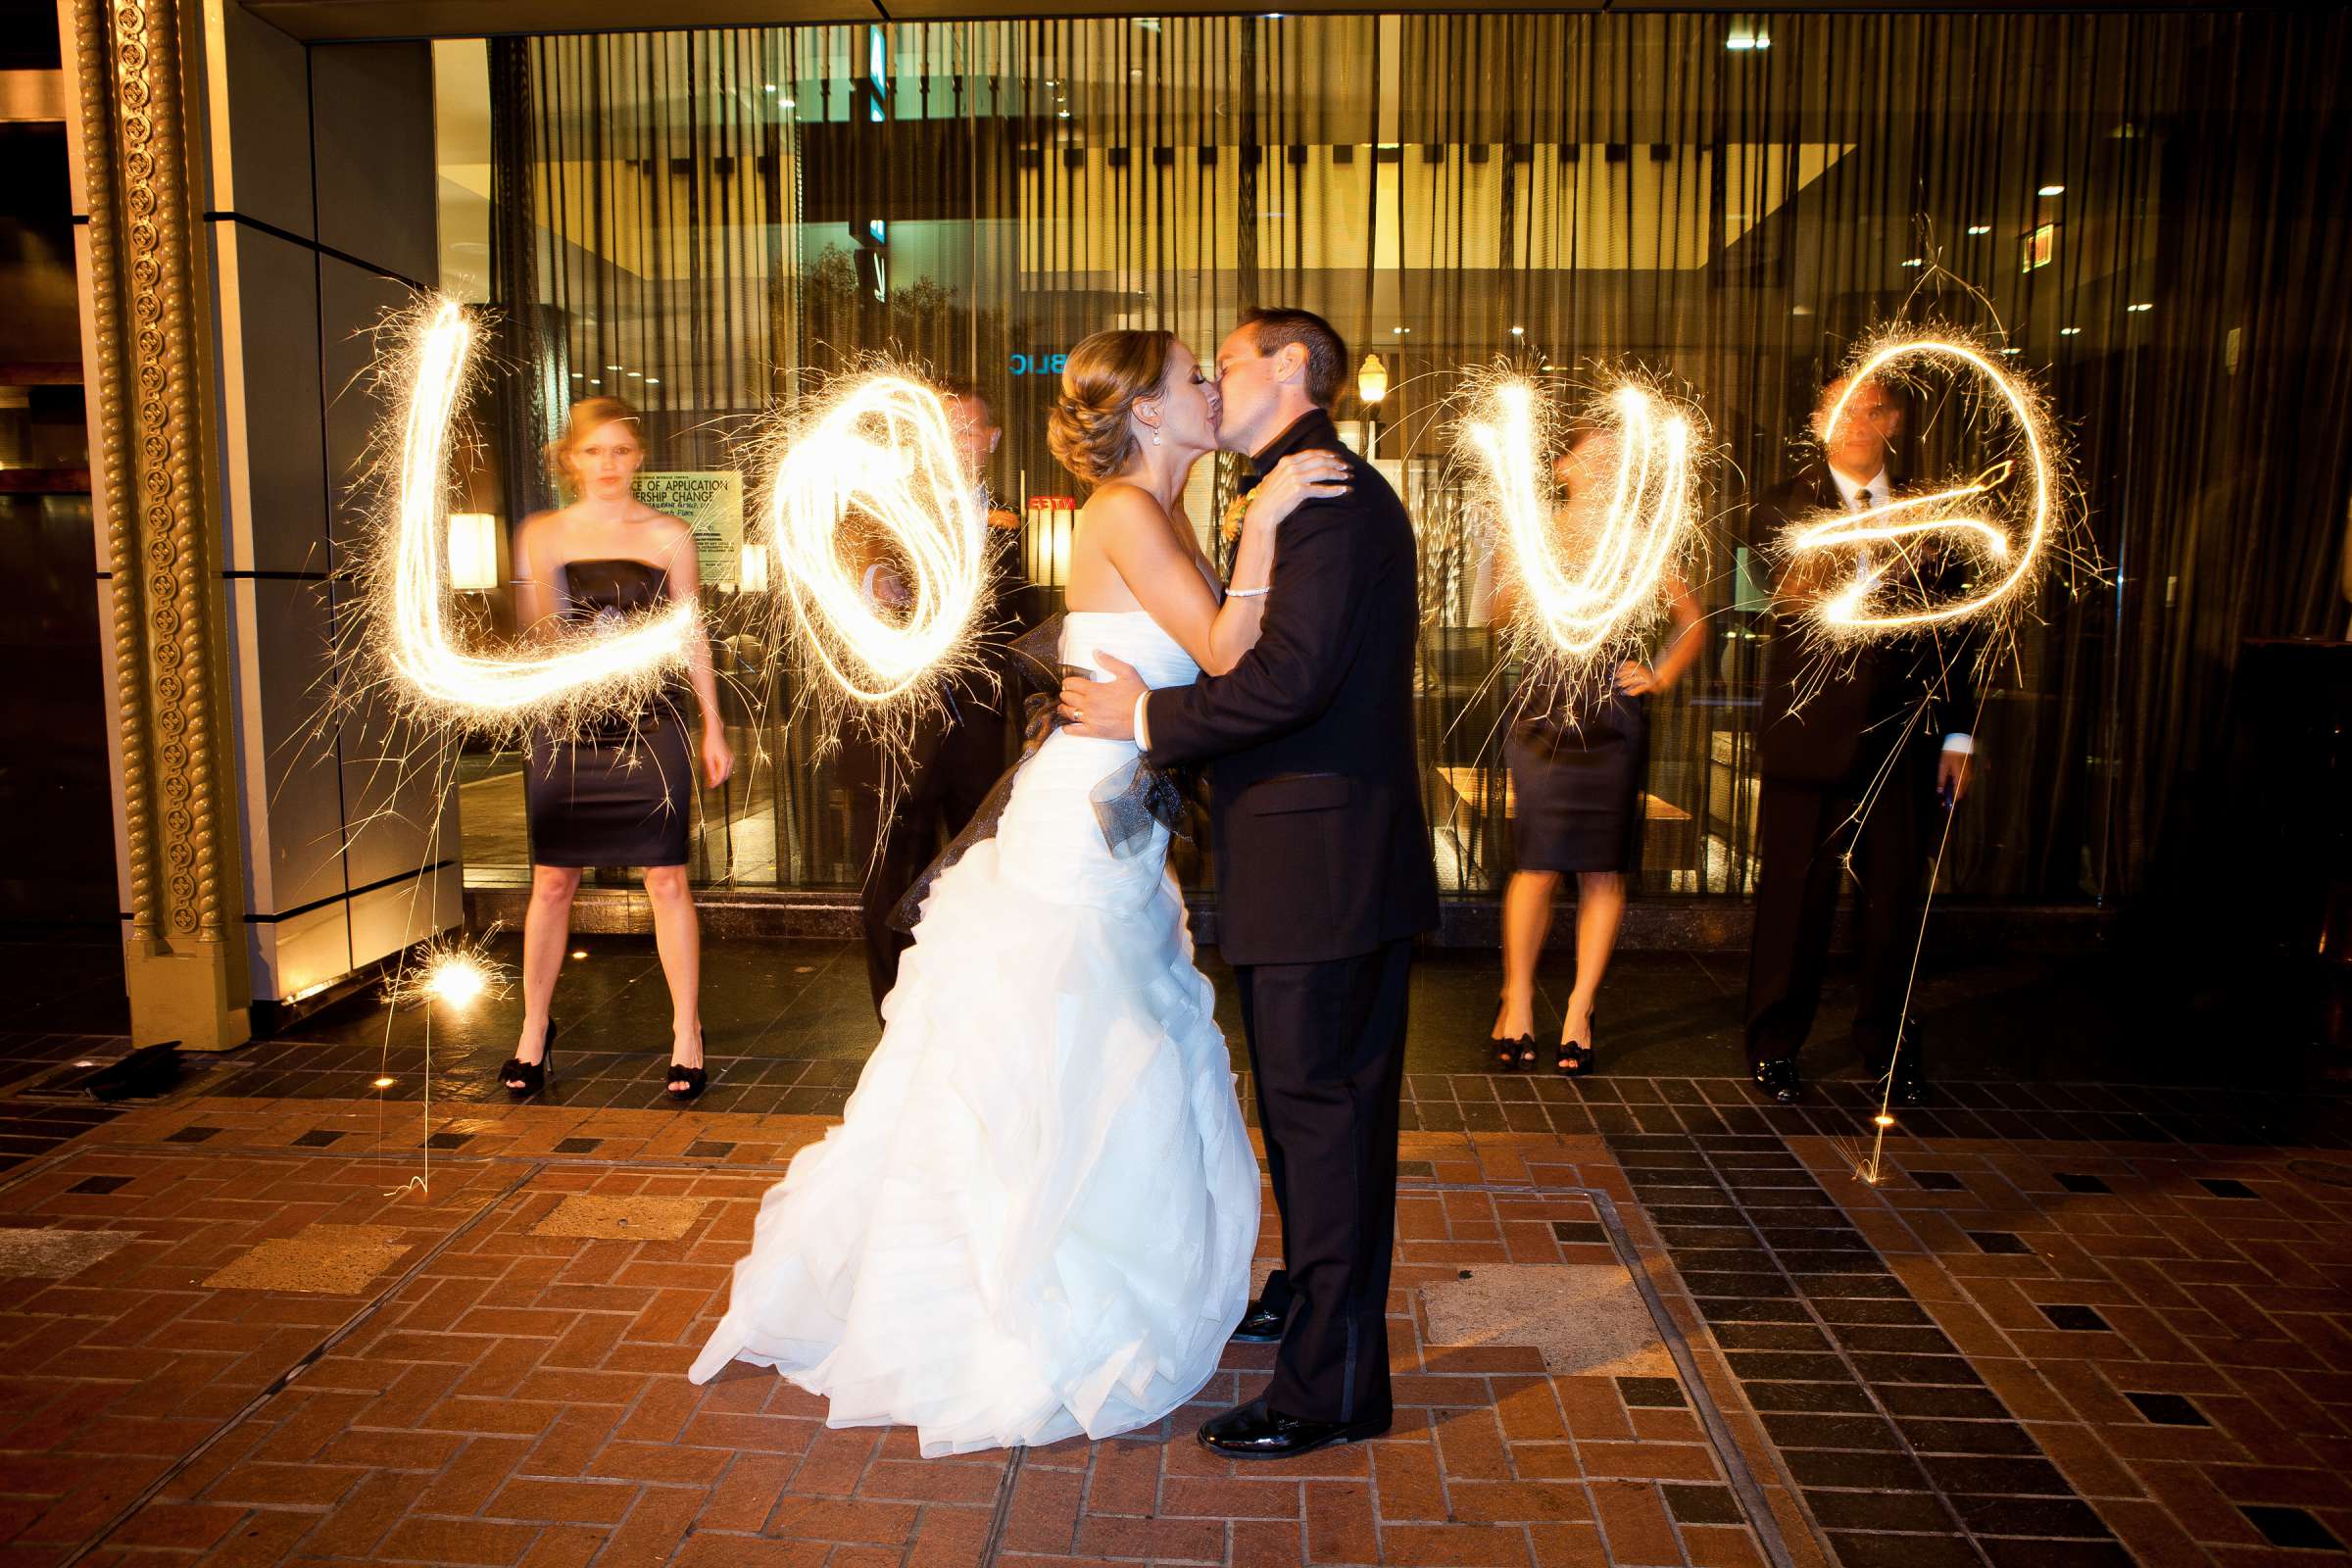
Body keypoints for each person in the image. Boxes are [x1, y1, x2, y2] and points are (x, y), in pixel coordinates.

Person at [689, 329, 1348, 1456]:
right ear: (1146, 412)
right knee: (1066, 1045)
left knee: (1112, 1039)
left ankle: (1109, 1257)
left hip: (1121, 826)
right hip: (1076, 836)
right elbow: (1229, 649)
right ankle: (1016, 1293)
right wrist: (1273, 519)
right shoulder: (1124, 513)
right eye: (1192, 377)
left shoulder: (1163, 510)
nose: (1208, 390)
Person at [1062, 306, 1440, 1461]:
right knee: (1318, 1119)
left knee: (1322, 1124)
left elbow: (1289, 683)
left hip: (1322, 868)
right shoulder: (1294, 491)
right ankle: (1324, 1314)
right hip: (1322, 864)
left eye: (1226, 364)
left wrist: (1147, 716)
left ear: (1291, 368)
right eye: (1202, 375)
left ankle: (1328, 1385)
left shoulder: (1323, 495)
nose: (1216, 390)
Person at [1744, 373, 1978, 1106]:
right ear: (1817, 421)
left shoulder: (1935, 512)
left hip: (1906, 734)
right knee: (1793, 902)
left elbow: (1962, 630)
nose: (1852, 423)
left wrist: (1960, 733)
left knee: (1894, 903)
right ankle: (1776, 1043)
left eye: (1868, 409)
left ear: (1894, 420)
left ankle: (1887, 1043)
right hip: (1808, 735)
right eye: (1837, 411)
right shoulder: (1784, 504)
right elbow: (1789, 593)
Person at [496, 397, 734, 1103]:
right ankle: (534, 1029)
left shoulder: (670, 535)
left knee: (666, 880)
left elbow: (693, 636)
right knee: (552, 882)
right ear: (570, 459)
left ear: (638, 458)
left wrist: (712, 722)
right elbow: (537, 633)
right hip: (566, 723)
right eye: (593, 451)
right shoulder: (541, 534)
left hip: (652, 721)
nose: (608, 464)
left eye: (621, 451)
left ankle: (686, 1033)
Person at [1490, 426, 1703, 1076]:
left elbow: (1693, 619)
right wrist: (1523, 565)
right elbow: (1498, 614)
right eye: (1597, 454)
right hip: (1543, 709)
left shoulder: (1639, 539)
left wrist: (1658, 673)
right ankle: (1517, 999)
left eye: (1620, 455)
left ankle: (1580, 1008)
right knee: (1538, 863)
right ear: (1564, 466)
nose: (1611, 463)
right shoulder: (1534, 530)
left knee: (1602, 868)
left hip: (1610, 715)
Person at [839, 379, 1035, 1019]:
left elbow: (1020, 628)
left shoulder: (1010, 521)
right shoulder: (877, 513)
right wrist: (874, 586)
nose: (955, 444)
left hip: (979, 738)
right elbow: (846, 586)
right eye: (941, 431)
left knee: (983, 881)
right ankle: (892, 1023)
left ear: (992, 440)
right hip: (891, 737)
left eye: (968, 430)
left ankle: (970, 1020)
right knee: (888, 889)